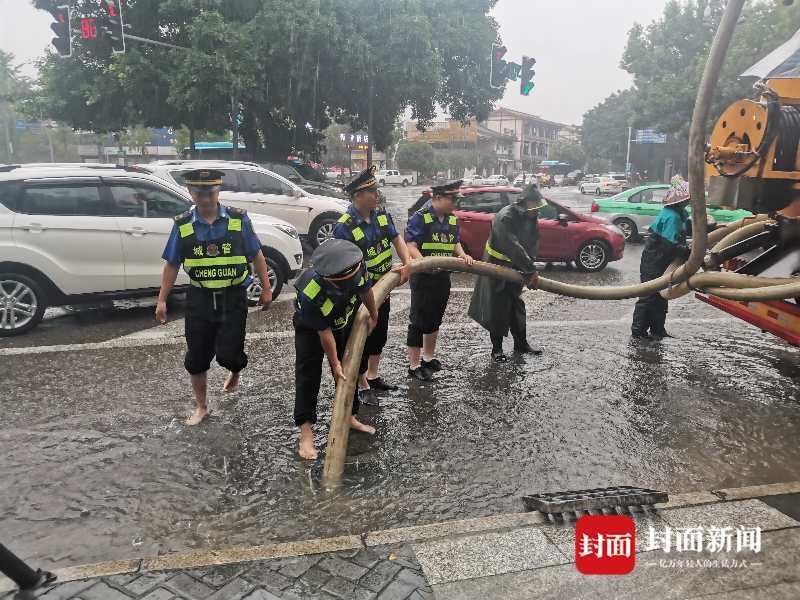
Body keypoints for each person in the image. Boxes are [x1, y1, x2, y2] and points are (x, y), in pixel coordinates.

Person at [155, 169, 272, 426]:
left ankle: (235, 369)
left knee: (229, 354)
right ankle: (202, 406)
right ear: (190, 192)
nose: (205, 197)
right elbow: (172, 264)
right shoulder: (183, 225)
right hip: (200, 298)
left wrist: (266, 288)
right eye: (199, 192)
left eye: (210, 192)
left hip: (233, 297)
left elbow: (257, 255)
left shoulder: (238, 220)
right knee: (197, 357)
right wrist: (162, 300)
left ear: (218, 191)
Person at [293, 238, 380, 460]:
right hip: (311, 329)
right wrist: (335, 363)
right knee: (308, 376)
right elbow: (324, 333)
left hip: (342, 320)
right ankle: (306, 432)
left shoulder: (357, 267)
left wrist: (373, 314)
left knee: (349, 370)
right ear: (331, 280)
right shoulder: (311, 291)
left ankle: (349, 416)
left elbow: (366, 291)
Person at [334, 166, 411, 402]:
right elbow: (343, 267)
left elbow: (397, 239)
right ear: (358, 195)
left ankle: (373, 376)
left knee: (380, 335)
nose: (377, 195)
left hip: (384, 288)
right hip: (361, 295)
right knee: (361, 338)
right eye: (372, 191)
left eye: (376, 190)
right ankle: (361, 381)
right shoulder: (345, 226)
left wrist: (406, 263)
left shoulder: (381, 216)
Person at [405, 180, 475, 381]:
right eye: (452, 199)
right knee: (418, 320)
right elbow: (410, 245)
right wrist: (424, 263)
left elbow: (455, 242)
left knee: (436, 317)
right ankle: (414, 365)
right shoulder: (421, 217)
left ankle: (428, 358)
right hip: (424, 277)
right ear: (437, 198)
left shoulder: (452, 219)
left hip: (443, 276)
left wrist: (462, 255)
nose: (455, 203)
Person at [468, 183, 545, 361]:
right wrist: (530, 270)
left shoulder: (531, 217)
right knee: (497, 306)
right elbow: (512, 246)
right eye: (535, 207)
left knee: (516, 306)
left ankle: (521, 344)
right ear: (525, 203)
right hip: (496, 266)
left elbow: (532, 243)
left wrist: (529, 269)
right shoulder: (506, 217)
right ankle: (497, 350)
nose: (537, 211)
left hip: (516, 267)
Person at [631, 175, 692, 340]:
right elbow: (669, 245)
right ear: (680, 200)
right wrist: (687, 253)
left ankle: (658, 330)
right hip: (655, 259)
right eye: (687, 199)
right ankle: (638, 332)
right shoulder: (672, 216)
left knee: (662, 295)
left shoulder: (679, 213)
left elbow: (687, 229)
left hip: (660, 259)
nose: (688, 202)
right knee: (648, 295)